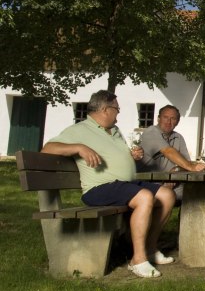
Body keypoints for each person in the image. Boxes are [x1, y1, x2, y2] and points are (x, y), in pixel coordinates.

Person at [41, 90, 176, 278]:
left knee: (167, 195)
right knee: (145, 197)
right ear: (105, 109)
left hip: (124, 184)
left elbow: (114, 156)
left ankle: (151, 248)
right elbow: (47, 149)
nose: (118, 114)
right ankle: (138, 260)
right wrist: (79, 147)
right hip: (99, 188)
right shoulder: (80, 130)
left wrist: (131, 155)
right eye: (117, 110)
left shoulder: (114, 130)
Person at [136, 105, 205, 201]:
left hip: (171, 181)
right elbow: (168, 151)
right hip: (147, 183)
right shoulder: (151, 132)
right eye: (165, 117)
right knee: (181, 194)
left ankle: (187, 216)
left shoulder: (178, 137)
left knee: (198, 191)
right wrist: (191, 166)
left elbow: (185, 162)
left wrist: (176, 172)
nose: (168, 122)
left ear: (177, 122)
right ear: (158, 118)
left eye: (173, 118)